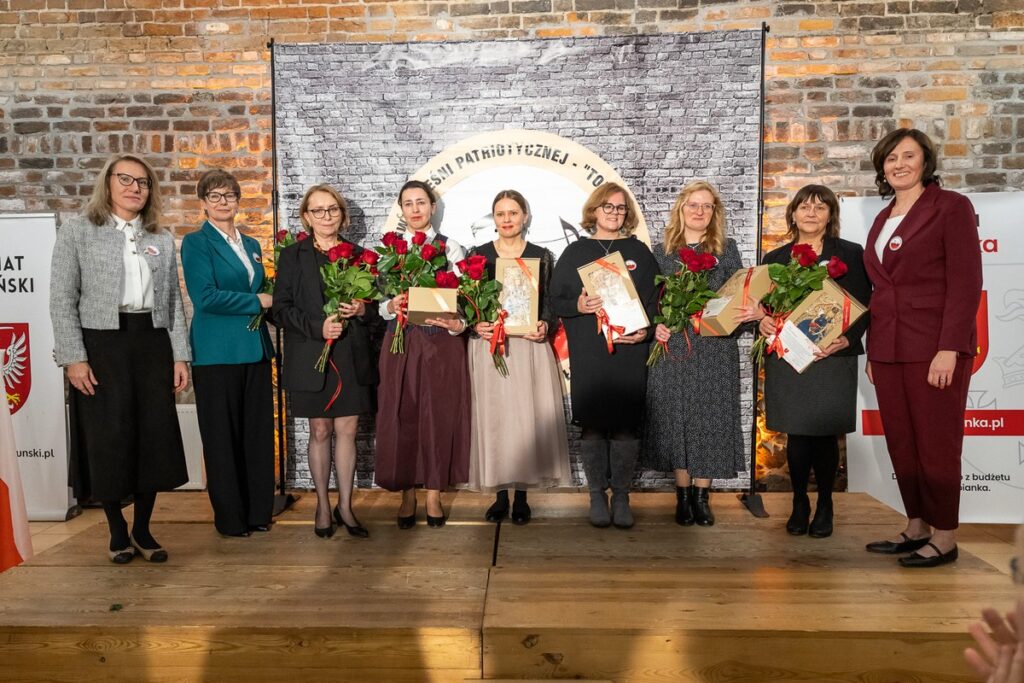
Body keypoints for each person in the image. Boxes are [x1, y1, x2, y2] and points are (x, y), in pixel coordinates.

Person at [50, 153, 190, 563]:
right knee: (108, 438)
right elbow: (62, 298)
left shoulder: (160, 237)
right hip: (101, 346)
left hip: (151, 343)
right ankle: (116, 531)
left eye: (143, 182)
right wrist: (73, 357)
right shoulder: (78, 231)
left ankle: (143, 529)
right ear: (107, 182)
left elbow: (173, 303)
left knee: (152, 437)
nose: (135, 188)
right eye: (126, 179)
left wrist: (180, 356)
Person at [862, 128, 982, 568]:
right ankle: (916, 527)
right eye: (891, 158)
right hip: (888, 348)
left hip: (934, 347)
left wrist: (950, 347)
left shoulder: (951, 207)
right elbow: (881, 290)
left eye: (908, 156)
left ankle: (945, 537)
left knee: (936, 444)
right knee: (902, 442)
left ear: (925, 162)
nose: (899, 164)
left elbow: (966, 283)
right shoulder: (883, 217)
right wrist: (874, 349)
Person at [758, 184, 871, 538]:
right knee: (797, 434)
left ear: (830, 215)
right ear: (792, 214)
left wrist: (847, 338)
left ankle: (825, 503)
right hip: (790, 357)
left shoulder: (850, 254)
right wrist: (762, 321)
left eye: (820, 207)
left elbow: (866, 303)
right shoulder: (774, 259)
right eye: (804, 206)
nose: (811, 213)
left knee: (824, 435)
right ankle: (799, 502)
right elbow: (763, 307)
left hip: (831, 356)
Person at [549, 182, 659, 529]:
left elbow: (656, 302)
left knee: (625, 426)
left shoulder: (639, 252)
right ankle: (597, 495)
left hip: (630, 351)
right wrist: (579, 305)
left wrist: (647, 331)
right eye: (607, 206)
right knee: (594, 426)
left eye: (620, 208)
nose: (614, 213)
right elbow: (555, 300)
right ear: (594, 211)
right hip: (590, 353)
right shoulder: (576, 252)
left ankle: (622, 496)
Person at [643, 181, 752, 527]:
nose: (699, 211)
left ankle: (702, 497)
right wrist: (656, 326)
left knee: (710, 419)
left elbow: (738, 296)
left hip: (714, 346)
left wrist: (742, 314)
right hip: (674, 346)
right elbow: (649, 302)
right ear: (681, 208)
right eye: (693, 204)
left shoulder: (727, 250)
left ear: (714, 212)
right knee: (676, 417)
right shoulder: (660, 252)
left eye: (707, 206)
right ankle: (682, 495)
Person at [272, 184, 376, 539]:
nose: (326, 216)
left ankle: (345, 506)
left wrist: (362, 309)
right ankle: (321, 505)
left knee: (348, 430)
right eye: (318, 210)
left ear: (342, 215)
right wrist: (318, 327)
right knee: (319, 430)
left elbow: (376, 313)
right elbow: (280, 310)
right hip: (310, 354)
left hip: (350, 354)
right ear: (306, 216)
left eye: (332, 209)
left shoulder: (360, 255)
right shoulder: (292, 256)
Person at [466, 189, 571, 524]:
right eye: (500, 213)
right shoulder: (478, 255)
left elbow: (552, 302)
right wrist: (476, 324)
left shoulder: (542, 255)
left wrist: (545, 324)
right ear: (493, 218)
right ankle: (499, 495)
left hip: (528, 346)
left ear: (525, 216)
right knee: (495, 419)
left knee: (526, 420)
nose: (507, 219)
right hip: (491, 346)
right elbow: (466, 302)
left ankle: (522, 496)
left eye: (513, 212)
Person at [181, 169, 275, 538]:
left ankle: (257, 512)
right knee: (222, 439)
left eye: (229, 195)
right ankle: (231, 519)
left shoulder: (251, 244)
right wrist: (257, 301)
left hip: (254, 350)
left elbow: (262, 287)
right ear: (203, 203)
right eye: (215, 196)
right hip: (216, 354)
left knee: (256, 436)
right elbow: (205, 297)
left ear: (238, 200)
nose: (223, 202)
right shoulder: (196, 243)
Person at [374, 180, 470, 528]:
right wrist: (390, 305)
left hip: (440, 343)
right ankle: (406, 493)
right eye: (408, 203)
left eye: (421, 202)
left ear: (432, 207)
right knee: (402, 413)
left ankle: (433, 492)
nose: (415, 209)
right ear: (401, 209)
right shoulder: (389, 251)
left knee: (438, 415)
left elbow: (465, 304)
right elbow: (378, 304)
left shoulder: (451, 247)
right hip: (400, 341)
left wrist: (457, 324)